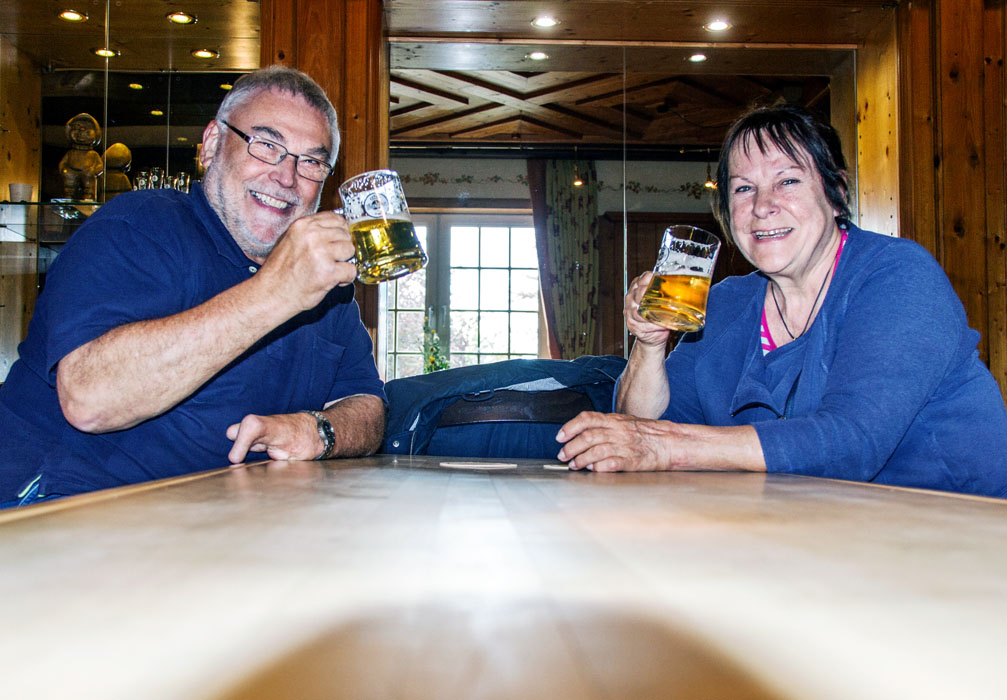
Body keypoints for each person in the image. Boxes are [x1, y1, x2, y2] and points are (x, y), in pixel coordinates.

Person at [556, 103, 1007, 498]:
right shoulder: (725, 304)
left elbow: (853, 442)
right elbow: (641, 427)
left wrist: (666, 447)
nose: (762, 205)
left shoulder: (897, 275)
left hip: (957, 534)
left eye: (787, 180)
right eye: (743, 188)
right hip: (811, 532)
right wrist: (650, 343)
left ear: (836, 194)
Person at [0, 65, 385, 506]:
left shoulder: (328, 286)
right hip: (58, 507)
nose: (286, 177)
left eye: (311, 162)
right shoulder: (137, 225)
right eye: (266, 145)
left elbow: (369, 406)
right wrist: (275, 293)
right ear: (212, 144)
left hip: (223, 518)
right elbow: (89, 401)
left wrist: (319, 431)